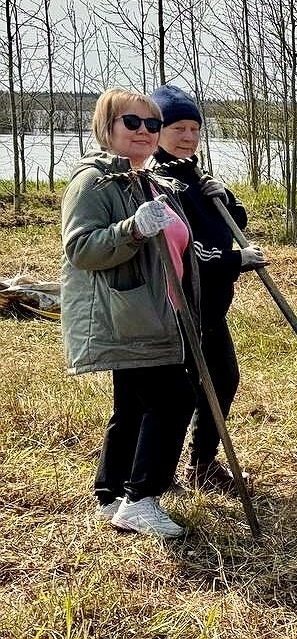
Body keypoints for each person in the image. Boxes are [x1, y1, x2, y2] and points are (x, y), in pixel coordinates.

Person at [61, 88, 200, 538]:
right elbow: (81, 249)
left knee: (133, 405)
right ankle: (142, 498)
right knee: (174, 398)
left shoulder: (146, 180)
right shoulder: (94, 182)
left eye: (152, 124)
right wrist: (133, 229)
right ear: (108, 126)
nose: (144, 131)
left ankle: (111, 495)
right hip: (129, 313)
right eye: (132, 122)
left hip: (158, 311)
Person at [149, 84, 266, 492]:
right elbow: (188, 256)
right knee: (179, 392)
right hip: (181, 307)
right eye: (178, 128)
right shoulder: (160, 183)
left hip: (211, 306)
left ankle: (201, 464)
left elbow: (232, 223)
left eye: (195, 129)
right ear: (157, 131)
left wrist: (226, 199)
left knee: (222, 379)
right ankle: (156, 475)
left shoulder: (193, 174)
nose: (188, 137)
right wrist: (237, 260)